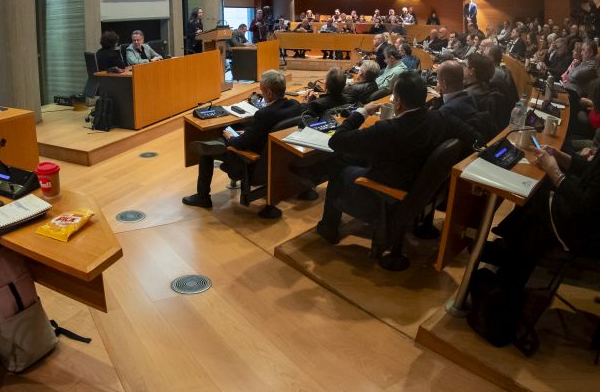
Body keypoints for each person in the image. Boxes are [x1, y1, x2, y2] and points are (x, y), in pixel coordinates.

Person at [485, 70, 600, 344]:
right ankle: (507, 256)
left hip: (598, 233)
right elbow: (596, 173)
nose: (594, 108)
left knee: (535, 194)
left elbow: (586, 203)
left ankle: (507, 281)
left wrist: (555, 172)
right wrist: (562, 158)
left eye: (598, 104)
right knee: (536, 203)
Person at [315, 71, 480, 261]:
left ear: (398, 101)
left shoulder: (388, 129)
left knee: (338, 166)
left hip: (388, 188)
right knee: (350, 156)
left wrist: (361, 112)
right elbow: (472, 136)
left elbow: (337, 140)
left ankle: (328, 227)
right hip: (419, 184)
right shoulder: (441, 118)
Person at [181, 70, 300, 211]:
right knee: (239, 130)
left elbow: (241, 144)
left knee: (206, 149)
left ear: (268, 93)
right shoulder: (295, 105)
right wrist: (248, 132)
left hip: (253, 162)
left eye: (261, 90)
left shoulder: (264, 114)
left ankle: (203, 197)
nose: (260, 93)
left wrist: (230, 138)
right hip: (279, 160)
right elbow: (264, 131)